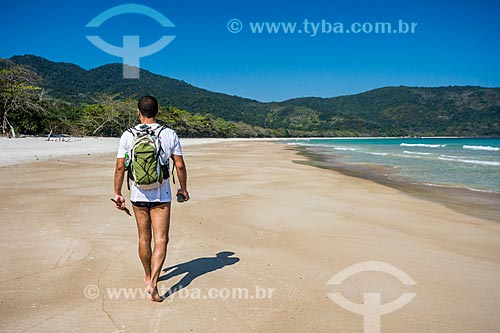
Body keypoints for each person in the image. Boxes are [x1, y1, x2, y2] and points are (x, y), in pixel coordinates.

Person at [113, 95, 189, 302]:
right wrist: (183, 189)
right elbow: (179, 165)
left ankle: (147, 275)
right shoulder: (169, 134)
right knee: (161, 239)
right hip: (161, 195)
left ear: (138, 112)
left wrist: (117, 193)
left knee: (143, 239)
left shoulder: (128, 135)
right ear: (157, 111)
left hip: (138, 194)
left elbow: (121, 166)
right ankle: (153, 283)